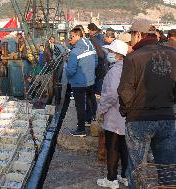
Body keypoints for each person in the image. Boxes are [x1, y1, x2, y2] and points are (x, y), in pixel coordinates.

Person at [118, 18, 176, 189]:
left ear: (138, 34)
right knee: (168, 169)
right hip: (167, 117)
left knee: (137, 170)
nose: (131, 39)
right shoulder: (173, 55)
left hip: (139, 119)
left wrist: (127, 111)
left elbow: (125, 91)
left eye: (131, 35)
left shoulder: (133, 57)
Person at [96, 40, 129, 189]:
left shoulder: (116, 70)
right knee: (125, 147)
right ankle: (125, 176)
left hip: (114, 116)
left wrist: (101, 109)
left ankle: (111, 179)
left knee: (113, 147)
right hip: (126, 115)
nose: (109, 54)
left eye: (111, 52)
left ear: (118, 55)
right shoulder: (129, 68)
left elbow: (111, 94)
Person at [65, 27, 97, 136]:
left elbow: (70, 70)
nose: (70, 39)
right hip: (90, 81)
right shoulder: (91, 46)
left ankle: (81, 130)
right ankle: (89, 120)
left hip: (78, 83)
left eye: (71, 37)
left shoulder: (75, 51)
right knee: (89, 101)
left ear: (78, 36)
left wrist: (68, 76)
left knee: (79, 106)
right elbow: (96, 61)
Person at [88, 23, 106, 96]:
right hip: (103, 61)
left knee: (98, 80)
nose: (89, 32)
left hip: (98, 60)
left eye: (89, 30)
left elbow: (98, 51)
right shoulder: (101, 36)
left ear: (93, 30)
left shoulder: (94, 39)